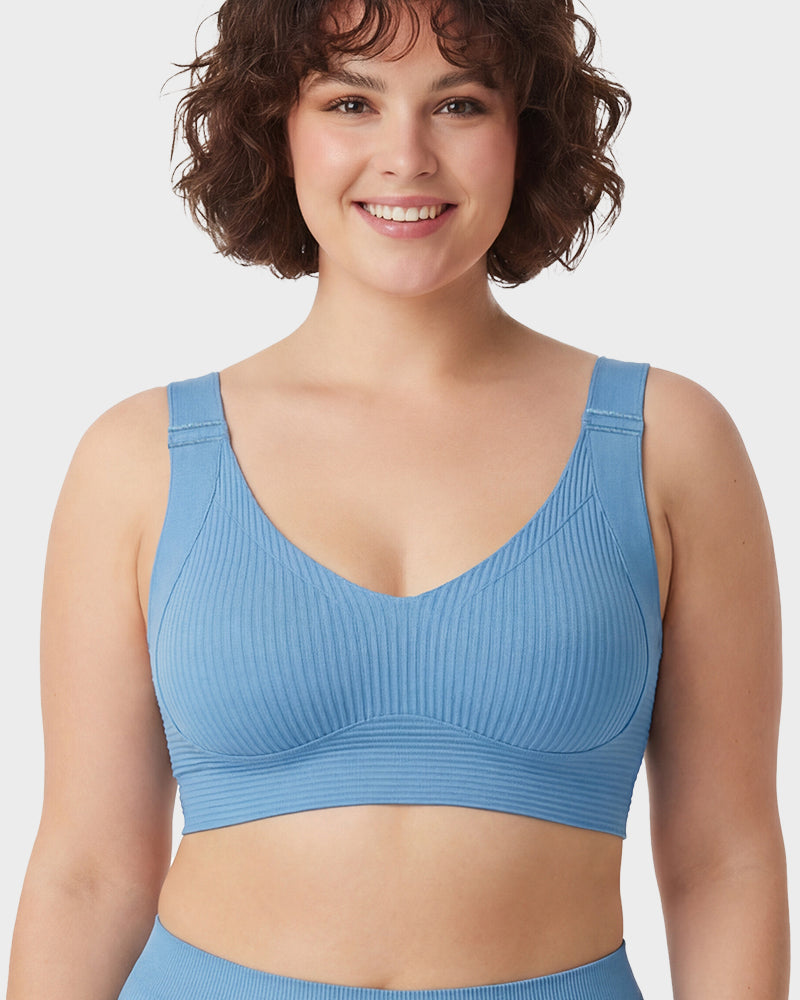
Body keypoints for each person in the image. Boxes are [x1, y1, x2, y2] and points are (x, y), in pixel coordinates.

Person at [6, 0, 790, 997]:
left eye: (459, 104)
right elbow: (86, 876)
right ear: (276, 130)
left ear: (526, 131)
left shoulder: (663, 443)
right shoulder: (139, 459)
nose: (407, 157)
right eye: (351, 103)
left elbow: (725, 863)